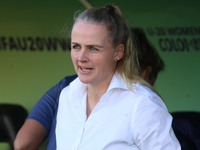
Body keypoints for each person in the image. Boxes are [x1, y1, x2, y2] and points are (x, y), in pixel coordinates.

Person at [14, 5, 178, 150]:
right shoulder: (66, 96)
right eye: (76, 46)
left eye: (93, 48)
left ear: (118, 52)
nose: (81, 57)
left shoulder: (142, 104)